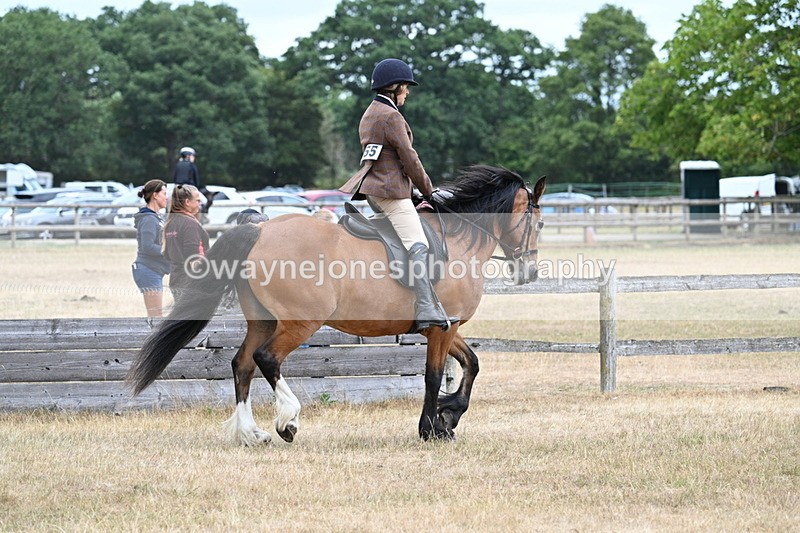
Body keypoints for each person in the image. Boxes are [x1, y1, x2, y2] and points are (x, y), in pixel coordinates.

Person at [339, 58, 455, 332]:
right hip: (390, 194)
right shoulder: (391, 116)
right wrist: (428, 190)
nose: (408, 92)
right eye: (406, 87)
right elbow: (409, 159)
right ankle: (426, 306)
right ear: (394, 86)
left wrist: (411, 192)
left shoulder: (370, 113)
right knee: (418, 244)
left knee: (401, 238)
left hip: (375, 190)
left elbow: (384, 161)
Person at [132, 179, 170, 319]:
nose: (166, 197)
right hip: (148, 270)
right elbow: (147, 247)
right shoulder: (149, 219)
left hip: (154, 269)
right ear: (155, 195)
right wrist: (168, 251)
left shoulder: (156, 217)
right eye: (164, 193)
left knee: (156, 315)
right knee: (156, 316)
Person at [163, 184, 210, 297]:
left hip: (176, 278)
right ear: (187, 202)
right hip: (192, 281)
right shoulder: (190, 224)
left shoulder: (170, 223)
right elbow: (193, 254)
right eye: (197, 200)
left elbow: (167, 254)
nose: (200, 203)